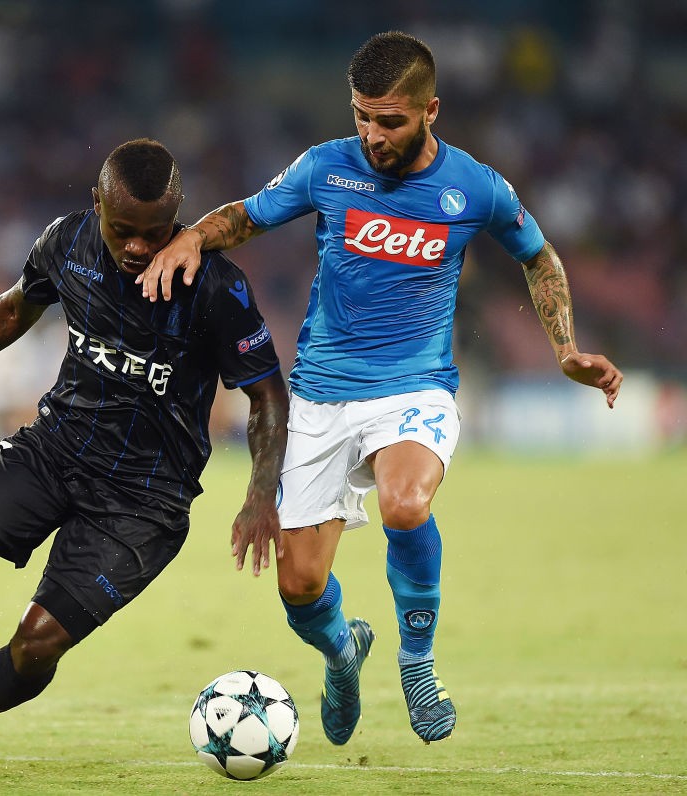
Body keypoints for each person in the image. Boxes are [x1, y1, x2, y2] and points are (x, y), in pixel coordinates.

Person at [138, 31, 623, 747]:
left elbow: (539, 255)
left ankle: (417, 661)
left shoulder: (473, 187)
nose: (372, 134)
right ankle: (342, 653)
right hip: (321, 396)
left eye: (389, 120)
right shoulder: (326, 169)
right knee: (299, 587)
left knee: (405, 503)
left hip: (414, 388)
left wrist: (566, 348)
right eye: (362, 115)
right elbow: (246, 212)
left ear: (431, 110)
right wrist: (193, 239)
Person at [0, 139, 289, 775]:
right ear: (96, 204)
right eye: (122, 230)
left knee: (37, 641)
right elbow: (19, 305)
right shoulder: (69, 242)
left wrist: (261, 493)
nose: (136, 248)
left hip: (144, 501)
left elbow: (266, 393)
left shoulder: (215, 287)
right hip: (55, 449)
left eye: (154, 235)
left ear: (178, 218)